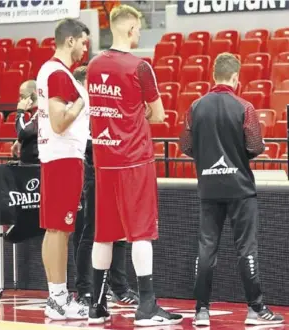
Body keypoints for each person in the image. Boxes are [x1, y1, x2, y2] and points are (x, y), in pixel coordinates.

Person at [86, 4, 182, 326]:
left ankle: (96, 306)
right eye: (138, 29)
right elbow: (159, 114)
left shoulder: (94, 66)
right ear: (130, 30)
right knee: (141, 233)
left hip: (103, 160)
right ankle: (146, 306)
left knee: (104, 235)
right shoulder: (140, 66)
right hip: (133, 159)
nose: (139, 33)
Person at [179, 52, 284, 327]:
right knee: (246, 248)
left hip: (208, 188)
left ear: (214, 75)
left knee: (206, 248)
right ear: (236, 77)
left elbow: (186, 146)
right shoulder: (244, 107)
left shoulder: (195, 107)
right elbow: (256, 146)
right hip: (240, 189)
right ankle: (256, 308)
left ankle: (201, 310)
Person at [70, 66, 139, 308]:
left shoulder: (105, 107)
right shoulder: (77, 111)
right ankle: (86, 289)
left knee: (119, 233)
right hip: (92, 175)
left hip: (114, 172)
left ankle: (118, 287)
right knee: (90, 233)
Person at [36, 18, 91, 320]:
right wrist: (83, 99)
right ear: (70, 41)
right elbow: (59, 122)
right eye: (83, 41)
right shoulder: (59, 74)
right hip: (63, 157)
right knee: (60, 229)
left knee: (55, 229)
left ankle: (55, 297)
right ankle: (58, 299)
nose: (85, 48)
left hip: (56, 157)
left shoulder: (50, 71)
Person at [12, 80, 39, 164]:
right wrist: (20, 140)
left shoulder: (43, 111)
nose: (20, 100)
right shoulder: (35, 113)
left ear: (34, 93)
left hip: (37, 167)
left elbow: (23, 132)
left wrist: (20, 111)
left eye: (23, 96)